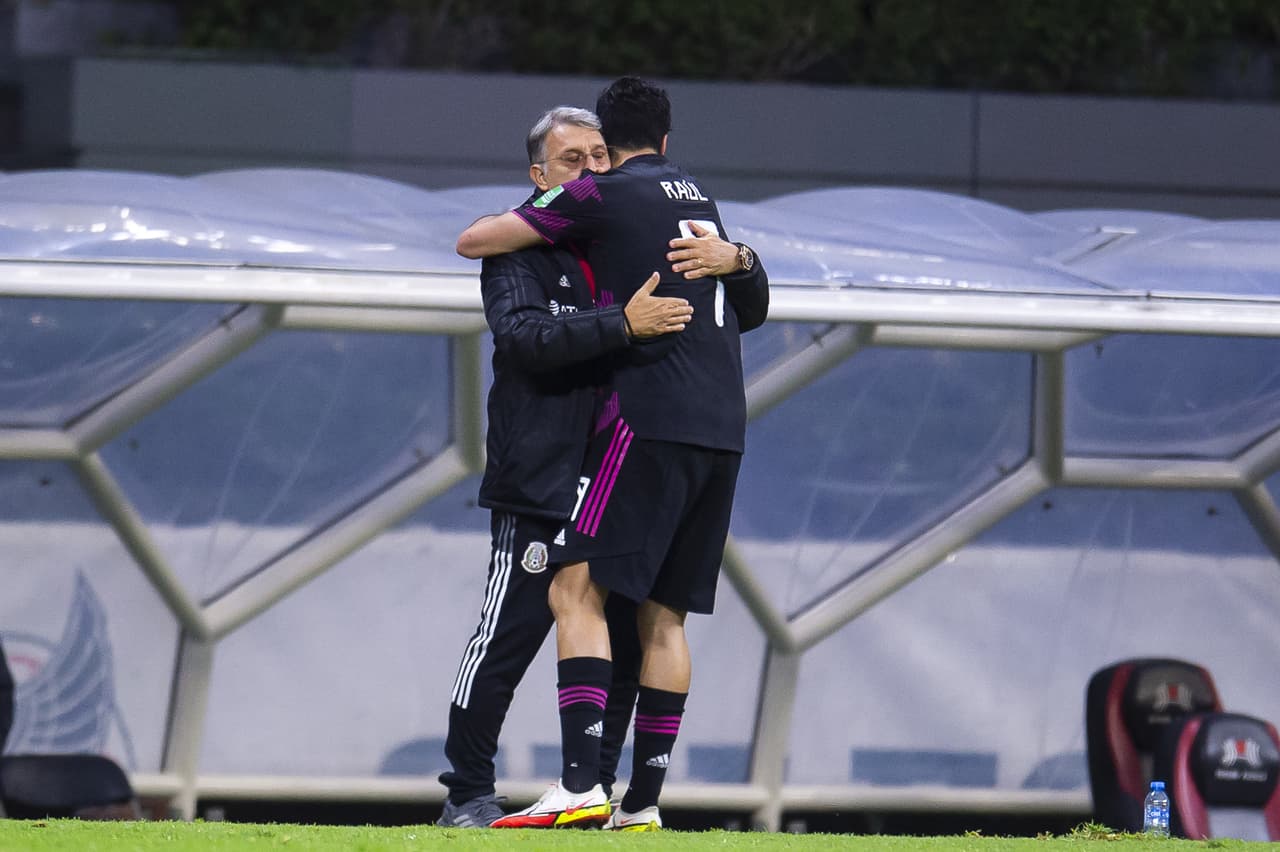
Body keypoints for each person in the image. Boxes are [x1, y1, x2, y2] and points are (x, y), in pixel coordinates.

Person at [458, 77, 769, 832]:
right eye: (572, 158)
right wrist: (743, 256)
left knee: (578, 592)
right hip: (719, 430)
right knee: (659, 619)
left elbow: (473, 237)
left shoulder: (603, 200)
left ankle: (579, 784)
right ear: (668, 139)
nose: (588, 168)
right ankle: (640, 802)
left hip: (641, 427)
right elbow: (753, 307)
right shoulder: (702, 208)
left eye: (597, 152)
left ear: (617, 145)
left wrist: (548, 228)